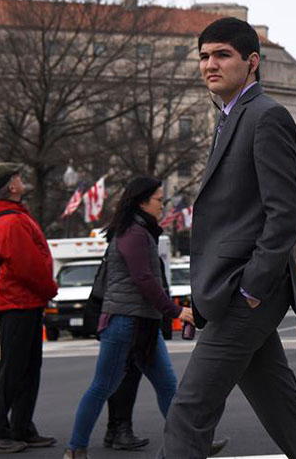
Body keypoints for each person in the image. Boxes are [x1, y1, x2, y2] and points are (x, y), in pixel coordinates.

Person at [161, 17, 296, 458]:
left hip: (243, 292)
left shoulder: (266, 116)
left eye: (221, 55)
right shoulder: (229, 117)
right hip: (228, 289)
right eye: (203, 56)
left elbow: (285, 212)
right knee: (284, 411)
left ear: (251, 62)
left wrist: (252, 287)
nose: (209, 64)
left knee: (190, 409)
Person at [63, 177, 195, 459]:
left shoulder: (140, 229)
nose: (163, 205)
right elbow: (144, 279)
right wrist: (175, 311)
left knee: (168, 386)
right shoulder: (135, 232)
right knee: (102, 387)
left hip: (141, 322)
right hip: (125, 322)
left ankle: (193, 444)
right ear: (142, 201)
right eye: (159, 199)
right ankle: (75, 448)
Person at [0, 163, 58, 454]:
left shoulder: (11, 217)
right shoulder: (10, 222)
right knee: (13, 370)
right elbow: (27, 266)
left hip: (23, 301)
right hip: (17, 303)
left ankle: (21, 427)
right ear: (11, 186)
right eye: (18, 178)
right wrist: (50, 288)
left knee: (26, 369)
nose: (22, 181)